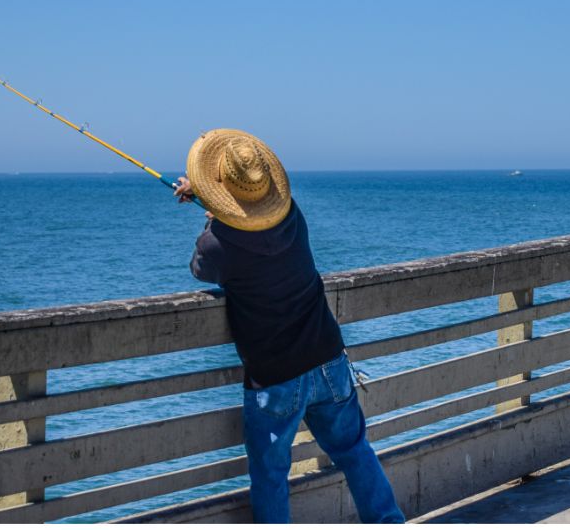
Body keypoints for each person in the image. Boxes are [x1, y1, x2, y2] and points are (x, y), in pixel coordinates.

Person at [173, 128, 404, 524]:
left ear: (221, 189)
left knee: (270, 475)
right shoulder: (292, 216)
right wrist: (214, 204)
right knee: (354, 451)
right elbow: (254, 228)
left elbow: (202, 268)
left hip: (276, 376)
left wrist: (210, 212)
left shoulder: (218, 244)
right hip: (328, 359)